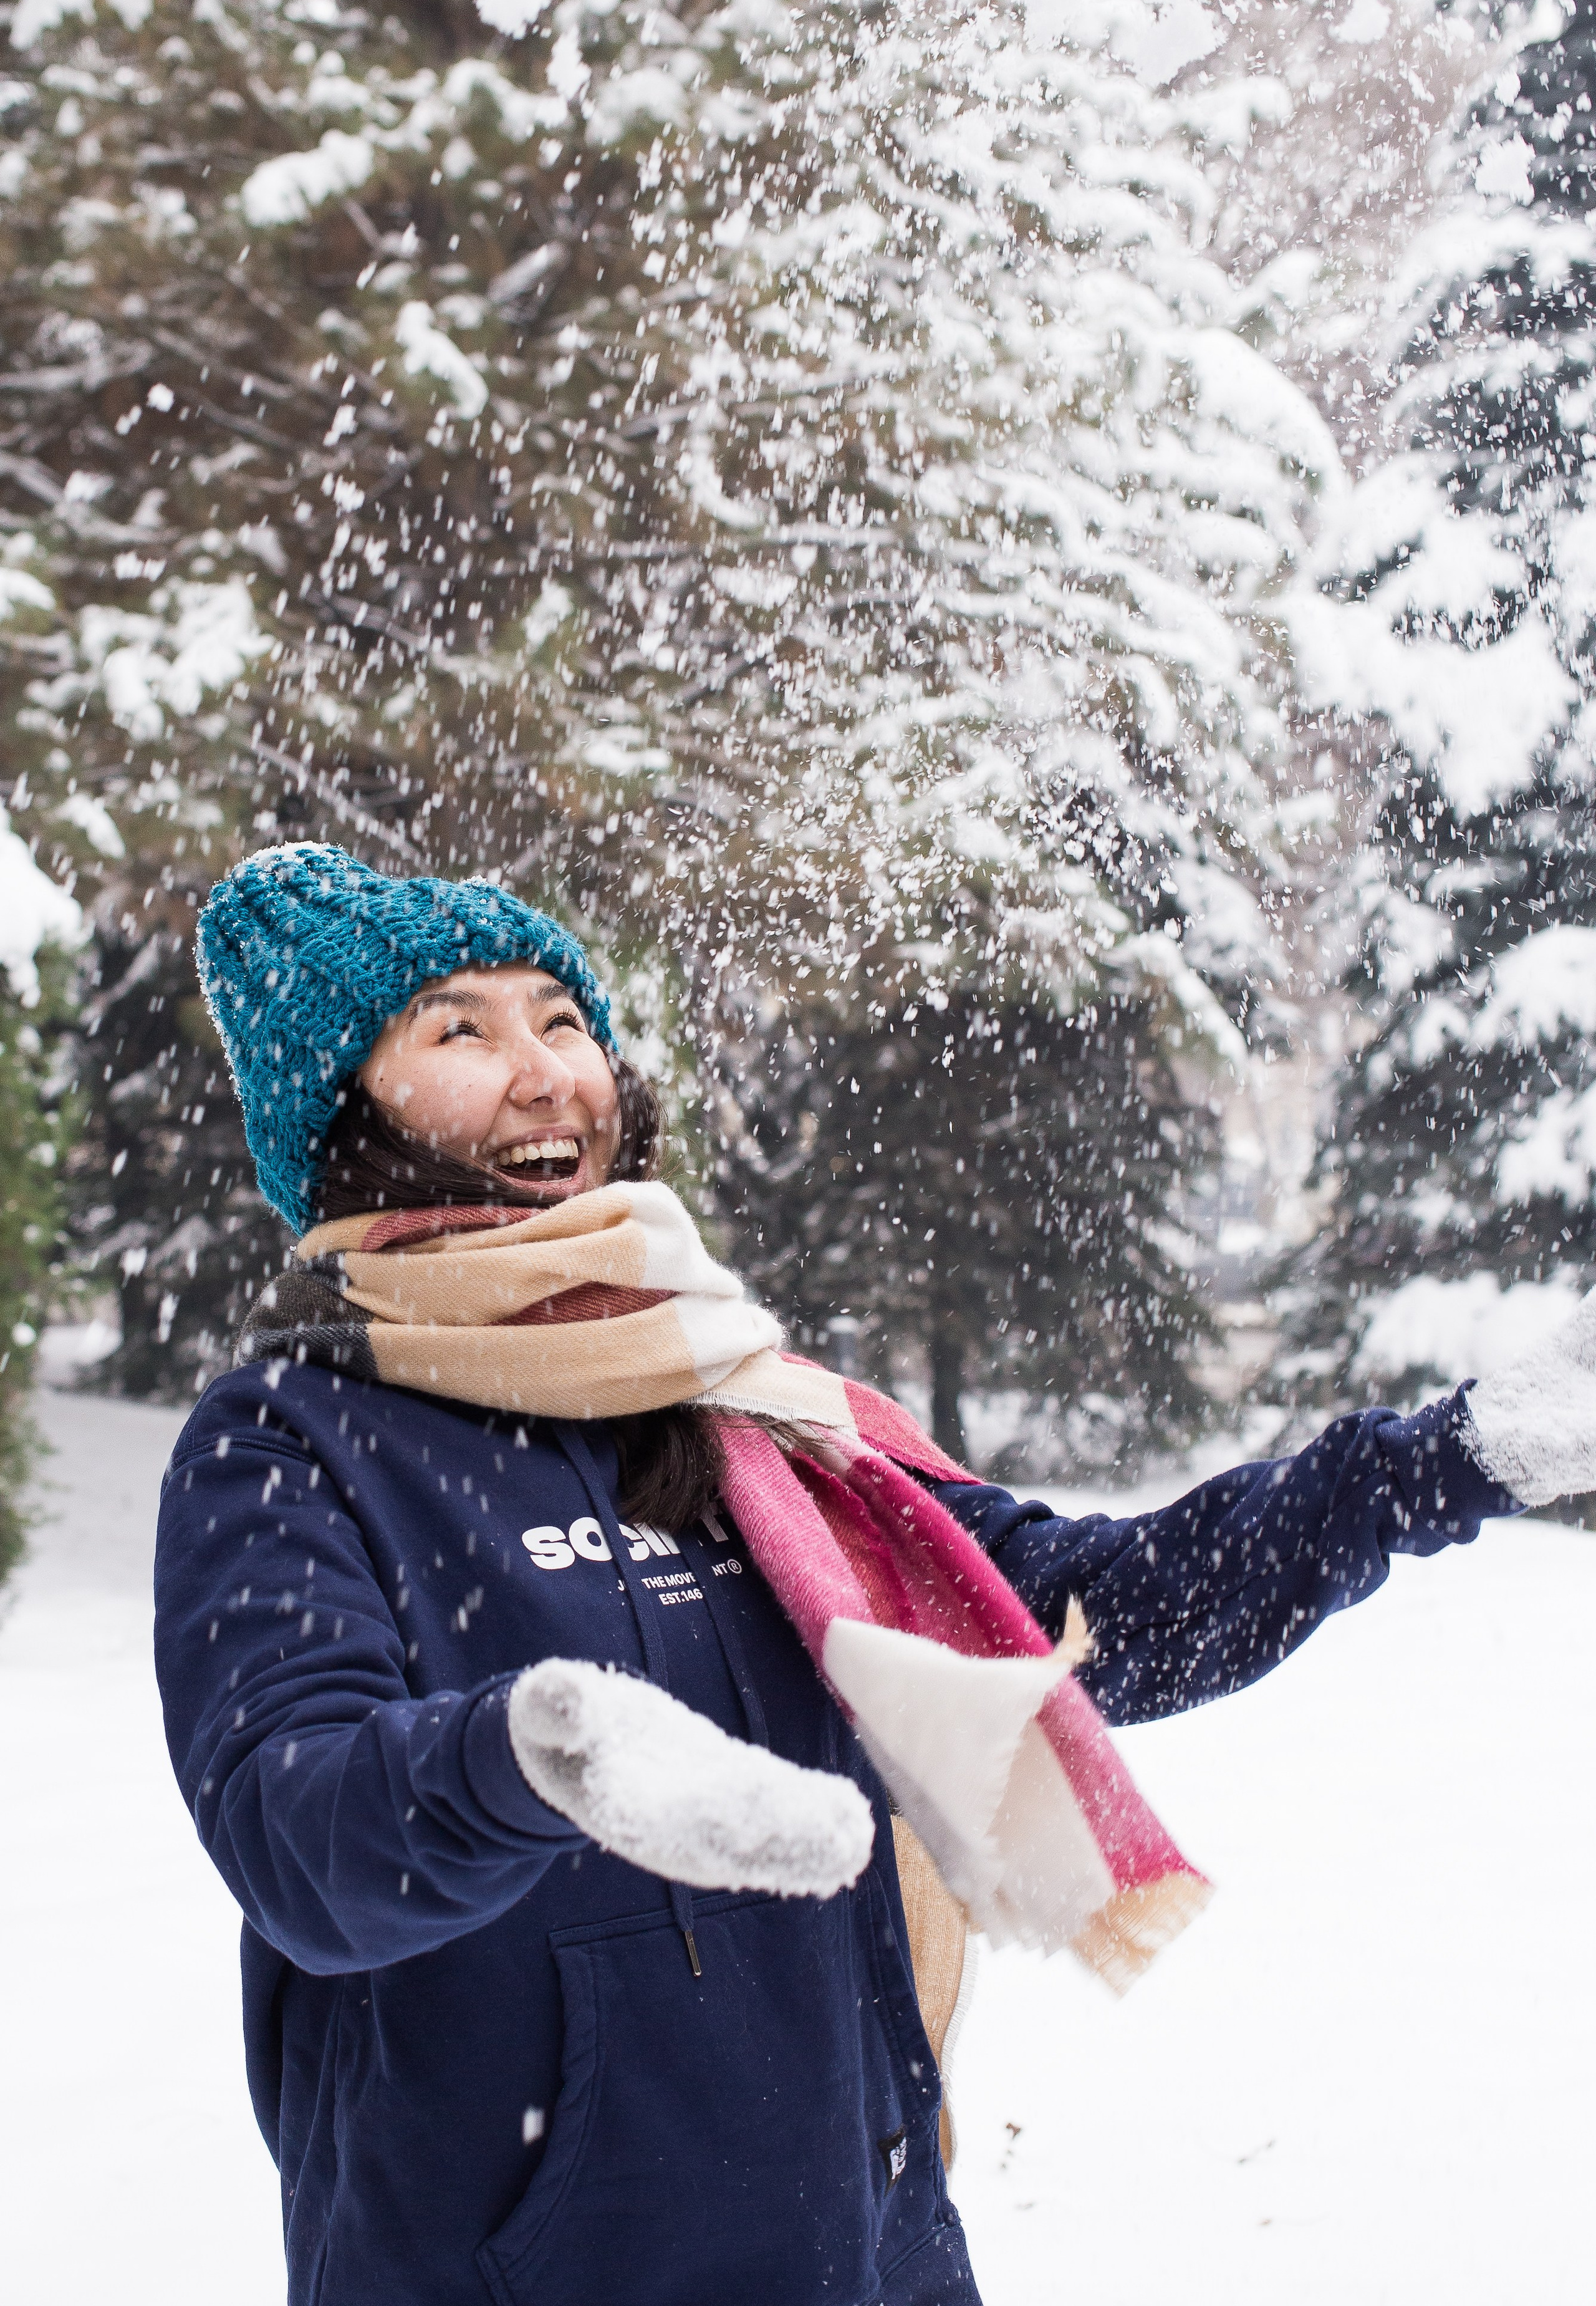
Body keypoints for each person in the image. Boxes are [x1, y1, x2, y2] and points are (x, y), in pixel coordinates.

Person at [154, 843, 1596, 2306]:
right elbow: (300, 1841)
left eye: (562, 1019)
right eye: (459, 1031)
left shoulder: (742, 1405)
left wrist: (1440, 1462)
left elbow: (1082, 1620)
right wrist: (526, 1756)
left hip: (860, 2255)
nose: (545, 1076)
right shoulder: (289, 1444)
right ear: (345, 1115)